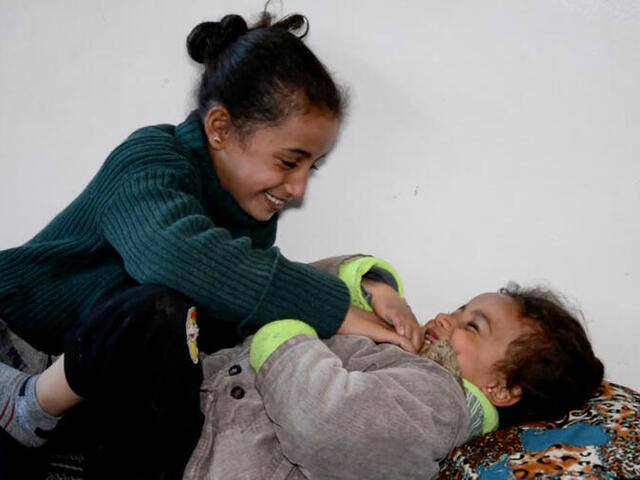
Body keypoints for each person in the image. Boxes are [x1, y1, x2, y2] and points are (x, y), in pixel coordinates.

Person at [0, 8, 423, 475]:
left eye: (312, 168)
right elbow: (174, 255)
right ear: (220, 128)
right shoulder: (151, 160)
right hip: (15, 354)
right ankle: (28, 406)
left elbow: (249, 294)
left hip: (78, 399)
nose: (299, 188)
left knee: (192, 359)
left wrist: (369, 288)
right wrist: (340, 310)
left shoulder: (248, 214)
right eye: (288, 162)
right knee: (162, 310)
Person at [2, 254, 604, 479]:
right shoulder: (413, 356)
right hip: (182, 425)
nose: (447, 318)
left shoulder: (440, 400)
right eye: (460, 307)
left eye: (473, 326)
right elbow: (296, 281)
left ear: (500, 387)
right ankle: (41, 411)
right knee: (155, 299)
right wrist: (372, 285)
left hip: (195, 458)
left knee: (156, 310)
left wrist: (283, 328)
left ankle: (27, 408)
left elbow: (327, 421)